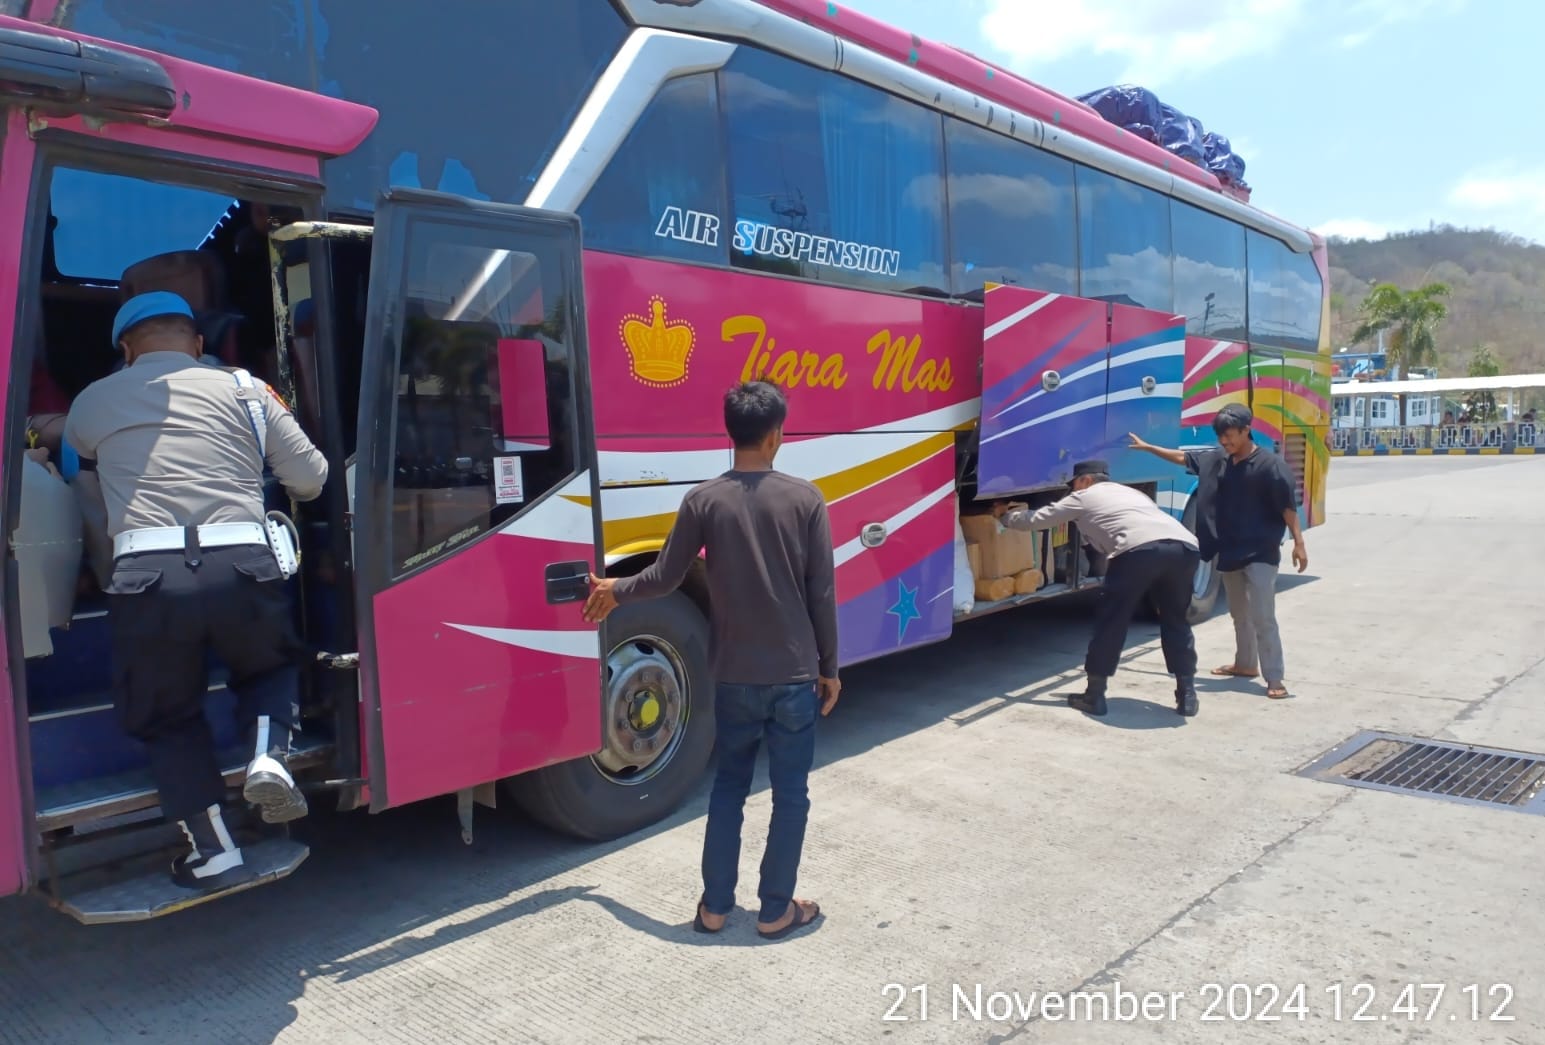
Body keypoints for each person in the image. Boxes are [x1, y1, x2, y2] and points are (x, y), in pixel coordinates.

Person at [63, 291, 329, 892]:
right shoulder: (246, 390)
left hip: (147, 574)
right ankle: (267, 754)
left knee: (166, 714)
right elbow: (312, 480)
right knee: (269, 664)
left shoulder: (92, 401)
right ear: (198, 344)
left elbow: (76, 467)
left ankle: (214, 853)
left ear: (125, 351)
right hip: (243, 562)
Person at [582, 380, 839, 941]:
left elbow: (665, 576)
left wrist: (613, 588)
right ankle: (776, 910)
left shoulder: (703, 499)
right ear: (776, 435)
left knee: (729, 788)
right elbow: (821, 591)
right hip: (794, 675)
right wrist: (830, 667)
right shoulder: (805, 498)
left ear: (732, 433)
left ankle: (715, 908)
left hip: (733, 677)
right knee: (791, 793)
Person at [993, 460, 1202, 718]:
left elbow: (1037, 519)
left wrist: (1003, 515)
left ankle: (1094, 695)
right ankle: (1187, 695)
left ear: (1086, 481)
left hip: (1138, 550)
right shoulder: (1130, 492)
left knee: (1112, 621)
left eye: (1074, 484)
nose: (1072, 490)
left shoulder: (1084, 496)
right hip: (1185, 548)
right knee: (1176, 621)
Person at [1129, 403, 1307, 700]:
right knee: (1239, 614)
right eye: (1221, 437)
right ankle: (1245, 664)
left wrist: (1299, 543)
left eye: (1230, 436)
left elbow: (1288, 508)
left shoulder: (1270, 466)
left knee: (1263, 616)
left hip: (1261, 551)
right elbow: (1183, 457)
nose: (1225, 442)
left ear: (1246, 430)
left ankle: (1274, 677)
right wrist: (1149, 448)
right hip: (1229, 550)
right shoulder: (1218, 460)